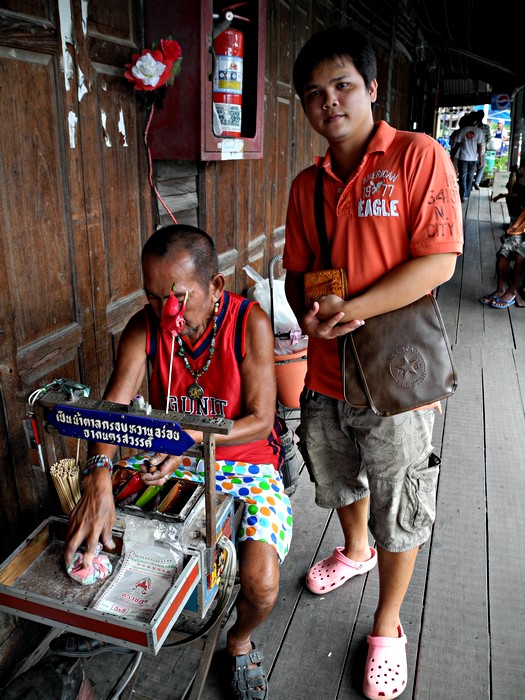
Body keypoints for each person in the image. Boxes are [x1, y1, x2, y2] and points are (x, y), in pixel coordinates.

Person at [283, 27, 463, 700]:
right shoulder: (307, 186)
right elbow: (298, 273)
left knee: (400, 505)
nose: (328, 102)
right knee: (336, 478)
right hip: (327, 372)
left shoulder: (415, 156)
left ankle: (387, 625)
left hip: (397, 378)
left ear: (371, 89)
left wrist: (353, 303)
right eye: (313, 94)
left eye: (341, 86)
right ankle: (355, 553)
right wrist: (309, 312)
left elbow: (439, 261)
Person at [63, 224, 293, 700]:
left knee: (261, 582)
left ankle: (239, 640)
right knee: (100, 539)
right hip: (169, 460)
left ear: (215, 287)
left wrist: (185, 440)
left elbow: (260, 418)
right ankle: (99, 629)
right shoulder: (145, 327)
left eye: (178, 297)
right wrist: (98, 476)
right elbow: (110, 410)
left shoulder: (250, 323)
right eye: (152, 296)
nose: (166, 311)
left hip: (246, 464)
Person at [479, 208, 525, 308]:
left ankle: (512, 292)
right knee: (504, 251)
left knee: (521, 253)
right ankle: (500, 290)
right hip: (522, 232)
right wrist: (515, 227)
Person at [450, 112, 484, 201]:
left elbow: (457, 144)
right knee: (470, 176)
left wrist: (452, 155)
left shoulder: (463, 130)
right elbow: (480, 146)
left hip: (463, 157)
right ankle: (467, 194)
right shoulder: (479, 131)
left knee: (462, 176)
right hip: (473, 158)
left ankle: (462, 194)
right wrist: (480, 159)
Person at [473, 110, 491, 190]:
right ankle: (476, 182)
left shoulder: (473, 126)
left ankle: (471, 183)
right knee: (481, 166)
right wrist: (483, 144)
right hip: (482, 150)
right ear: (483, 117)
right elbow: (489, 138)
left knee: (472, 166)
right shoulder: (486, 127)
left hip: (472, 150)